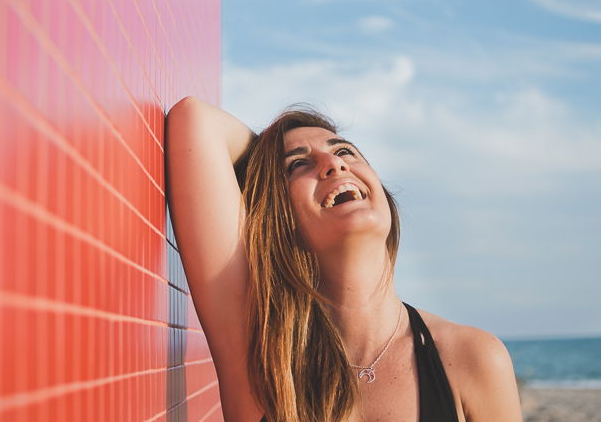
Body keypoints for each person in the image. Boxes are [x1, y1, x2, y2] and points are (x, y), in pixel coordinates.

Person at [165, 96, 522, 422]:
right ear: (280, 217)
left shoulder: (471, 358)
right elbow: (194, 121)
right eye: (297, 165)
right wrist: (265, 158)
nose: (333, 163)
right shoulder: (262, 358)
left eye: (346, 152)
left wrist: (287, 161)